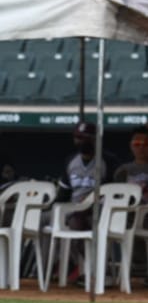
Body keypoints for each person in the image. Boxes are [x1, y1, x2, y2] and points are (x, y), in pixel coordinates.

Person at [52, 121, 119, 282]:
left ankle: (92, 268)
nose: (83, 141)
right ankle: (55, 266)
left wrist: (89, 203)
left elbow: (114, 192)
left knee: (78, 222)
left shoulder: (109, 161)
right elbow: (63, 194)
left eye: (88, 137)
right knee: (43, 219)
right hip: (72, 209)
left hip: (99, 211)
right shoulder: (71, 160)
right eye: (79, 137)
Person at [113, 126, 148, 204]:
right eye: (137, 143)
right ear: (131, 146)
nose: (141, 147)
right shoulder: (122, 170)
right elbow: (116, 196)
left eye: (146, 143)